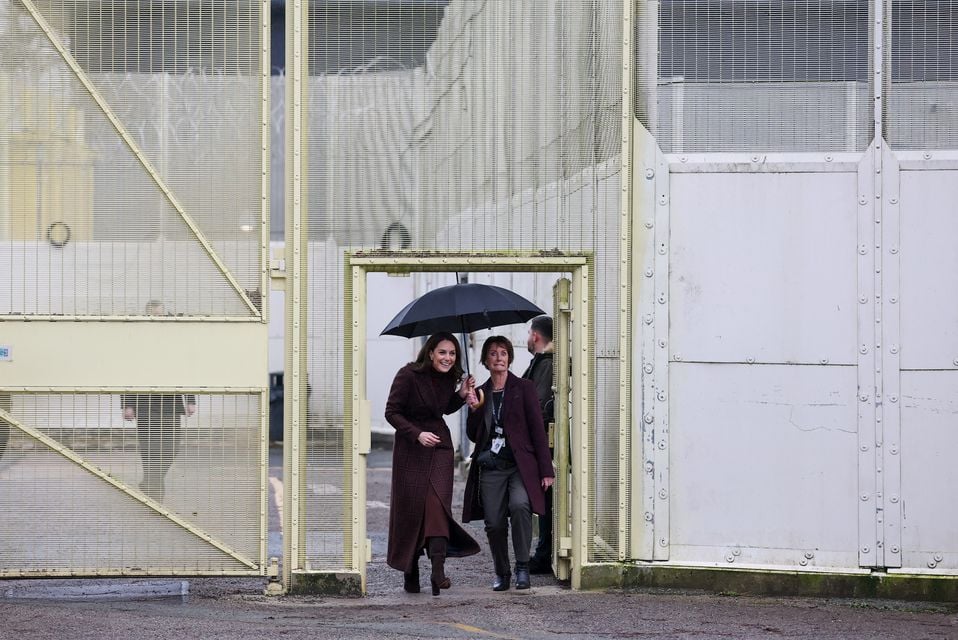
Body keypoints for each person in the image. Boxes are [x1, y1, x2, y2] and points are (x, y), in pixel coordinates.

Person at [384, 332, 481, 596]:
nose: (448, 358)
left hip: (440, 447)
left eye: (452, 353)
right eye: (442, 352)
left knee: (437, 506)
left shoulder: (449, 377)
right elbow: (391, 412)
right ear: (430, 353)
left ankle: (438, 571)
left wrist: (461, 395)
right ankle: (411, 569)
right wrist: (417, 434)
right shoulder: (408, 374)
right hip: (411, 449)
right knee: (413, 510)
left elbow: (442, 408)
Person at [463, 336, 554, 591]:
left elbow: (538, 430)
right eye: (493, 353)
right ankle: (502, 572)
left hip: (519, 466)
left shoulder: (524, 388)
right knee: (494, 522)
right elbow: (474, 435)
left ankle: (522, 568)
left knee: (520, 505)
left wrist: (546, 470)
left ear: (510, 359)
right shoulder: (480, 392)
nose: (499, 357)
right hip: (492, 466)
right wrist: (474, 409)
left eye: (503, 353)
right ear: (485, 360)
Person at [121, 300, 196, 500]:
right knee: (148, 448)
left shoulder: (173, 342)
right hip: (144, 404)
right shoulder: (136, 341)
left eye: (162, 316)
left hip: (170, 404)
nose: (158, 319)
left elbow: (184, 370)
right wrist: (127, 405)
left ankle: (150, 482)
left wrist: (190, 399)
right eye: (155, 315)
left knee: (172, 447)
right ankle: (155, 494)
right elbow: (126, 372)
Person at [522, 315, 555, 574]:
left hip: (544, 443)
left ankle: (543, 554)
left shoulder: (544, 364)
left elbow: (539, 405)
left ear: (535, 335)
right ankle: (544, 552)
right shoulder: (547, 363)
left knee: (546, 501)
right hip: (545, 441)